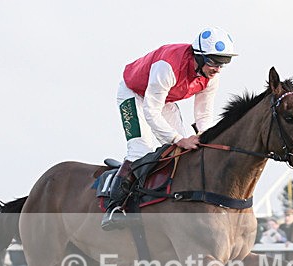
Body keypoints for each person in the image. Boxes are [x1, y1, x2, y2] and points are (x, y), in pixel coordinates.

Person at [102, 27, 238, 230]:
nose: (218, 69)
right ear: (199, 56)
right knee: (140, 151)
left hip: (163, 99)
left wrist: (206, 138)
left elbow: (203, 116)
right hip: (135, 94)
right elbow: (151, 111)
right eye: (214, 62)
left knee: (183, 152)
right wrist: (178, 139)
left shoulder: (211, 78)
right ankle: (114, 208)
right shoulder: (167, 66)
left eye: (223, 63)